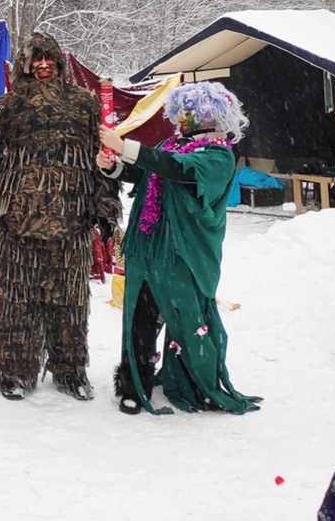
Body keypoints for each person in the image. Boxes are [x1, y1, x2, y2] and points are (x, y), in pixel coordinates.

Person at [0, 31, 121, 402]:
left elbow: (101, 162)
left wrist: (106, 210)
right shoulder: (6, 108)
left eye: (50, 59)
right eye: (36, 59)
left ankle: (70, 371)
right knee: (15, 304)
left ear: (59, 62)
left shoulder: (84, 105)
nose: (43, 65)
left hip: (71, 223)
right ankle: (14, 372)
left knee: (70, 306)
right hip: (19, 225)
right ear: (25, 65)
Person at [98, 80, 261, 415]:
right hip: (149, 248)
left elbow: (177, 170)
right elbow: (145, 172)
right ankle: (134, 384)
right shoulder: (170, 144)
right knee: (140, 316)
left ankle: (193, 380)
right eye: (182, 111)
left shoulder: (219, 157)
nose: (183, 118)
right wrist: (112, 166)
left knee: (187, 319)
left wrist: (126, 145)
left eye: (192, 112)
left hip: (185, 254)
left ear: (212, 116)